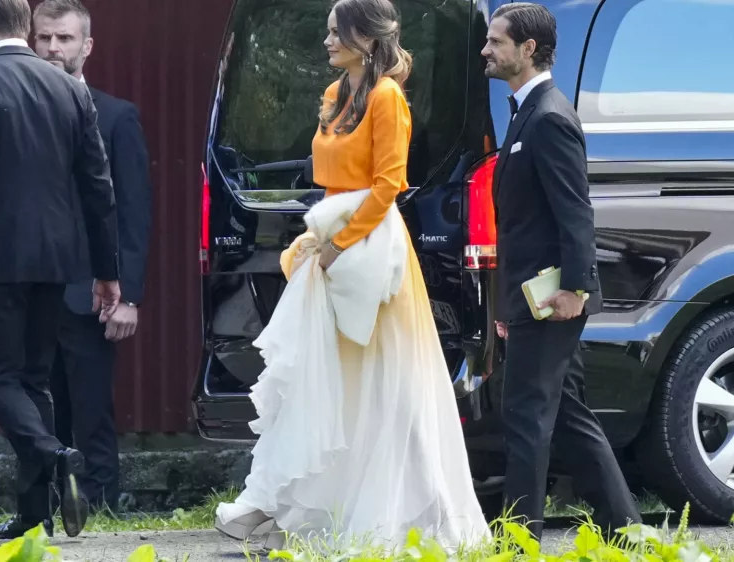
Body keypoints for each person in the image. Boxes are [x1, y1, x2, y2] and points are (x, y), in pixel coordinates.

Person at [214, 0, 489, 552]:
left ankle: (390, 509)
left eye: (336, 32)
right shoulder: (337, 94)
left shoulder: (387, 98)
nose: (327, 41)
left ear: (365, 37)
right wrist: (319, 236)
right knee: (329, 380)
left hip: (369, 250)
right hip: (331, 238)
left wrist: (340, 242)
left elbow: (389, 184)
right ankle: (305, 505)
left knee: (383, 382)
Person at [0, 0, 122, 540]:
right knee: (35, 381)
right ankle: (35, 514)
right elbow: (98, 188)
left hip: (1, 257)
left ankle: (55, 455)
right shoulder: (72, 89)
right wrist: (108, 272)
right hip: (59, 259)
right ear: (25, 27)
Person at [481, 2, 641, 541]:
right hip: (530, 297)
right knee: (567, 414)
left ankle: (516, 542)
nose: (486, 50)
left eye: (496, 41)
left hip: (552, 298)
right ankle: (629, 532)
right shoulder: (528, 112)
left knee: (525, 417)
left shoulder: (549, 117)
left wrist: (576, 287)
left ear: (528, 50)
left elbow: (576, 212)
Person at [32, 0, 152, 513]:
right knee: (40, 404)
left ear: (87, 46)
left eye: (65, 38)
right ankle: (49, 501)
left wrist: (130, 295)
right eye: (45, 38)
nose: (54, 48)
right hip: (33, 287)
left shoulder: (117, 117)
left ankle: (101, 500)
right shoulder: (18, 111)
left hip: (93, 292)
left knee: (91, 405)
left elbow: (134, 213)